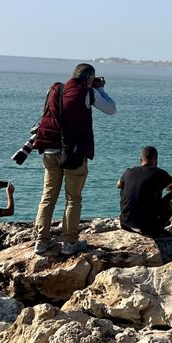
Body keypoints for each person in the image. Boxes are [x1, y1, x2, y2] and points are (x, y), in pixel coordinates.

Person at [32, 63, 117, 256]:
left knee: (48, 197)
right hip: (74, 153)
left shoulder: (55, 89)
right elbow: (111, 109)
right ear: (89, 79)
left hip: (50, 150)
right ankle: (69, 242)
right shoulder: (88, 93)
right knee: (73, 198)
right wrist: (100, 88)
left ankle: (41, 241)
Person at [118, 146, 172, 238]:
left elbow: (118, 184)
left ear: (140, 159)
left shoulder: (129, 171)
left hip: (125, 222)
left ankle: (128, 218)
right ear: (156, 160)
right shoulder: (158, 173)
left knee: (123, 185)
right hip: (147, 227)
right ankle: (158, 227)